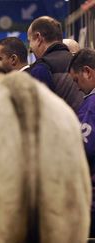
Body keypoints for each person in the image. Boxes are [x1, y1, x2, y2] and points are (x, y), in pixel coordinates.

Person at [27, 16, 83, 112]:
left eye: (30, 40)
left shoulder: (41, 68)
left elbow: (38, 113)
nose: (30, 47)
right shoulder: (82, 64)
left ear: (38, 38)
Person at [68, 48, 95, 237]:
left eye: (76, 80)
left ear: (87, 72)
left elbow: (84, 150)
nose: (77, 87)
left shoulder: (91, 106)